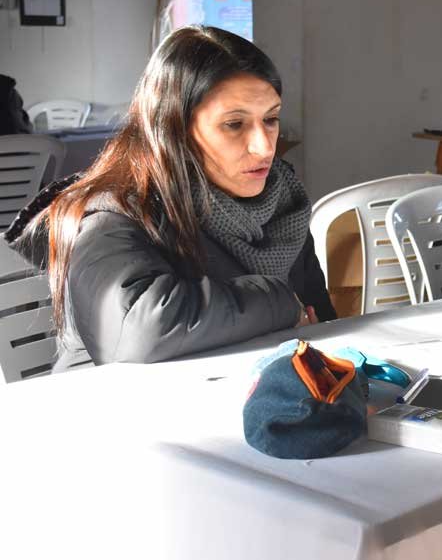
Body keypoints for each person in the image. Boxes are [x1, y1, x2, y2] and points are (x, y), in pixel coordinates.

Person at [4, 25, 335, 367]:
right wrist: (279, 302)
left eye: (271, 119)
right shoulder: (112, 213)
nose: (265, 147)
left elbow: (323, 324)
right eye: (234, 124)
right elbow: (138, 331)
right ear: (175, 128)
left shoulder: (282, 202)